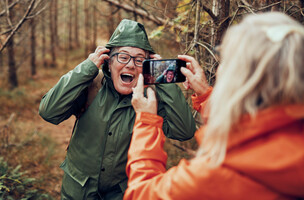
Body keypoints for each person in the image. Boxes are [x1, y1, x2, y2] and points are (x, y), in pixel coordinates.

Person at [124, 12, 304, 199]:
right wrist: (205, 96)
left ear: (243, 80)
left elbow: (141, 193)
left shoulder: (215, 174)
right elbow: (253, 131)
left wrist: (146, 121)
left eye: (226, 62)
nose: (219, 69)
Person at [39, 19, 196, 199]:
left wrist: (163, 76)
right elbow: (48, 112)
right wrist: (87, 68)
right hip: (78, 191)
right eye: (123, 56)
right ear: (109, 62)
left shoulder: (149, 100)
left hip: (122, 193)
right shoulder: (91, 85)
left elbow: (185, 131)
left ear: (146, 67)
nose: (130, 64)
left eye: (139, 60)